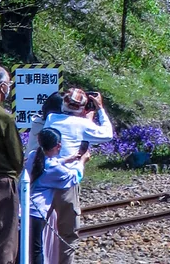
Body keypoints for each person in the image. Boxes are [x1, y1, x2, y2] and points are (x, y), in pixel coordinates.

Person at [42, 88, 112, 264]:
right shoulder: (82, 125)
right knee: (68, 233)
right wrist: (100, 109)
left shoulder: (50, 119)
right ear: (82, 108)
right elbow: (107, 134)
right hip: (67, 182)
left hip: (43, 181)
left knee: (40, 229)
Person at [25, 129, 84, 264]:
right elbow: (75, 177)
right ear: (58, 145)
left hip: (22, 208)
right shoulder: (54, 168)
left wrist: (65, 160)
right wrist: (82, 161)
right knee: (36, 250)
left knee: (24, 245)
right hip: (36, 212)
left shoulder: (34, 155)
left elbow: (48, 165)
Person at [0, 66, 23, 264]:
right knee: (5, 238)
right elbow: (16, 156)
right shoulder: (3, 117)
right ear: (2, 87)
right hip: (2, 182)